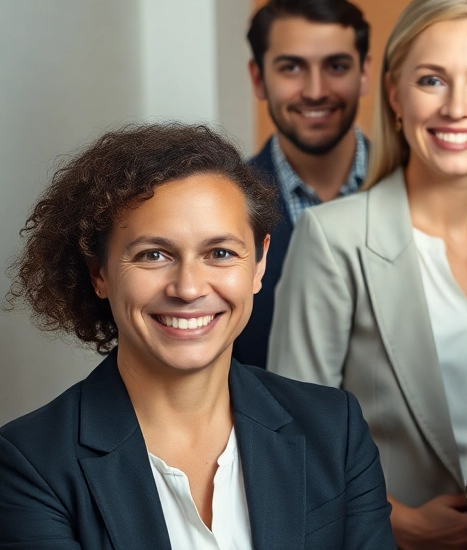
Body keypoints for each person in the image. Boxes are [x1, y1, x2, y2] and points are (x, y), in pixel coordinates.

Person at [0, 123, 394, 548]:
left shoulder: (336, 429)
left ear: (259, 264)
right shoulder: (31, 462)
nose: (188, 288)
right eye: (154, 255)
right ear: (100, 273)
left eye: (219, 253)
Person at [268, 0, 467, 549]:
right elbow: (290, 436)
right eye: (431, 80)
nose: (455, 107)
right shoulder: (333, 239)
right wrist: (401, 519)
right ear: (396, 96)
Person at [240, 0, 371, 367]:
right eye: (292, 67)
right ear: (259, 79)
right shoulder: (227, 206)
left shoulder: (417, 191)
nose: (315, 91)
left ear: (364, 73)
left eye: (336, 66)